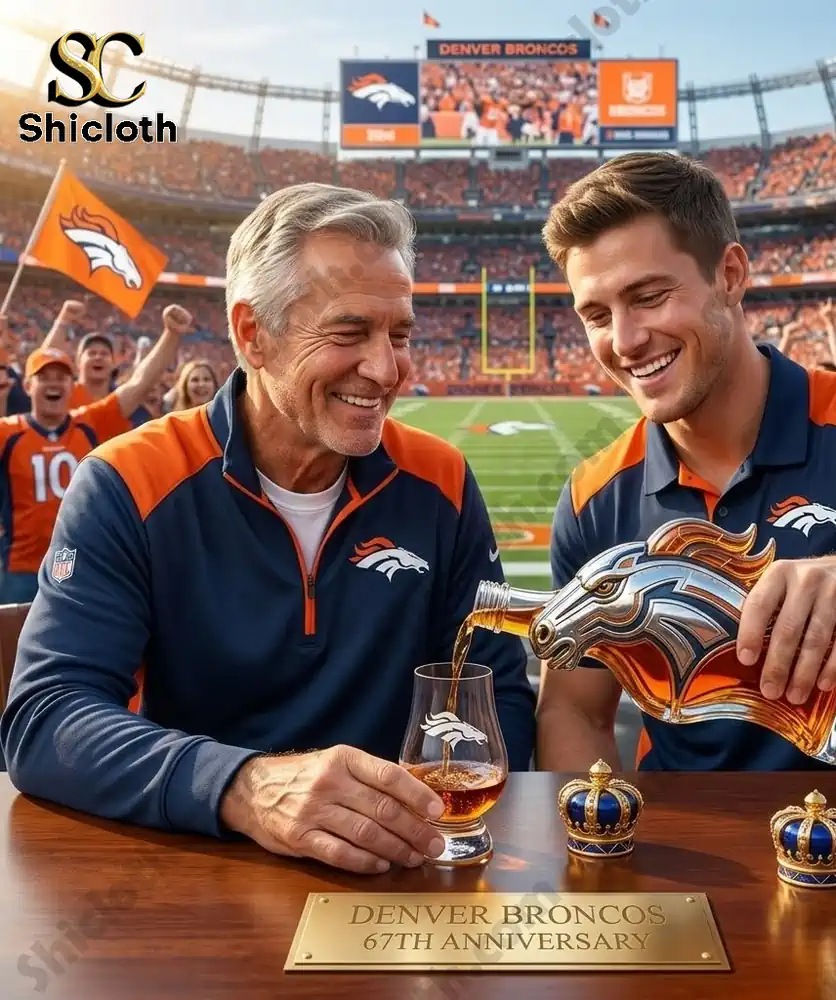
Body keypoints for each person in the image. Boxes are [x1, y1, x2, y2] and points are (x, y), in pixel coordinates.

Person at [1, 183, 535, 875]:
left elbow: (496, 692)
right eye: (348, 332)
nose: (386, 369)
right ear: (253, 334)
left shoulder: (441, 480)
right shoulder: (130, 480)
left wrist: (442, 838)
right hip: (200, 874)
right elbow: (46, 719)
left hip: (399, 873)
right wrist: (241, 788)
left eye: (400, 334)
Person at [535, 151, 836, 773]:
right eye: (596, 315)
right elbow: (576, 710)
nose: (624, 340)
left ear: (730, 275)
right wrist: (611, 827)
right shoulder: (595, 495)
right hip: (683, 831)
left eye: (648, 297)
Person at [0, 306, 190, 604]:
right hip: (21, 567)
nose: (53, 383)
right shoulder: (8, 432)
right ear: (27, 386)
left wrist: (171, 334)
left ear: (72, 385)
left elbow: (139, 384)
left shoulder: (89, 423)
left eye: (61, 377)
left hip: (79, 562)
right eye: (44, 377)